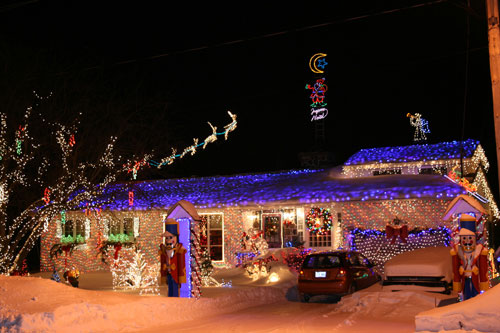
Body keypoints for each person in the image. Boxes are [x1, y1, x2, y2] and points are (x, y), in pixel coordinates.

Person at [450, 214, 489, 301]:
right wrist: (459, 274)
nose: (467, 241)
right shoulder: (458, 251)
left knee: (476, 295)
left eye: (470, 238)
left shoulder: (479, 250)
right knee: (466, 295)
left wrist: (483, 280)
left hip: (475, 278)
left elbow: (483, 267)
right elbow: (455, 267)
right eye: (464, 238)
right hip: (465, 278)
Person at [159, 219, 186, 297]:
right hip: (168, 272)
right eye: (167, 238)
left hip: (175, 273)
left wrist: (181, 276)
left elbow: (181, 263)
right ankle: (170, 299)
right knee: (170, 286)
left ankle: (175, 300)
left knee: (174, 287)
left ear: (175, 237)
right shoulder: (165, 250)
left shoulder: (179, 249)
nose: (168, 240)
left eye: (170, 237)